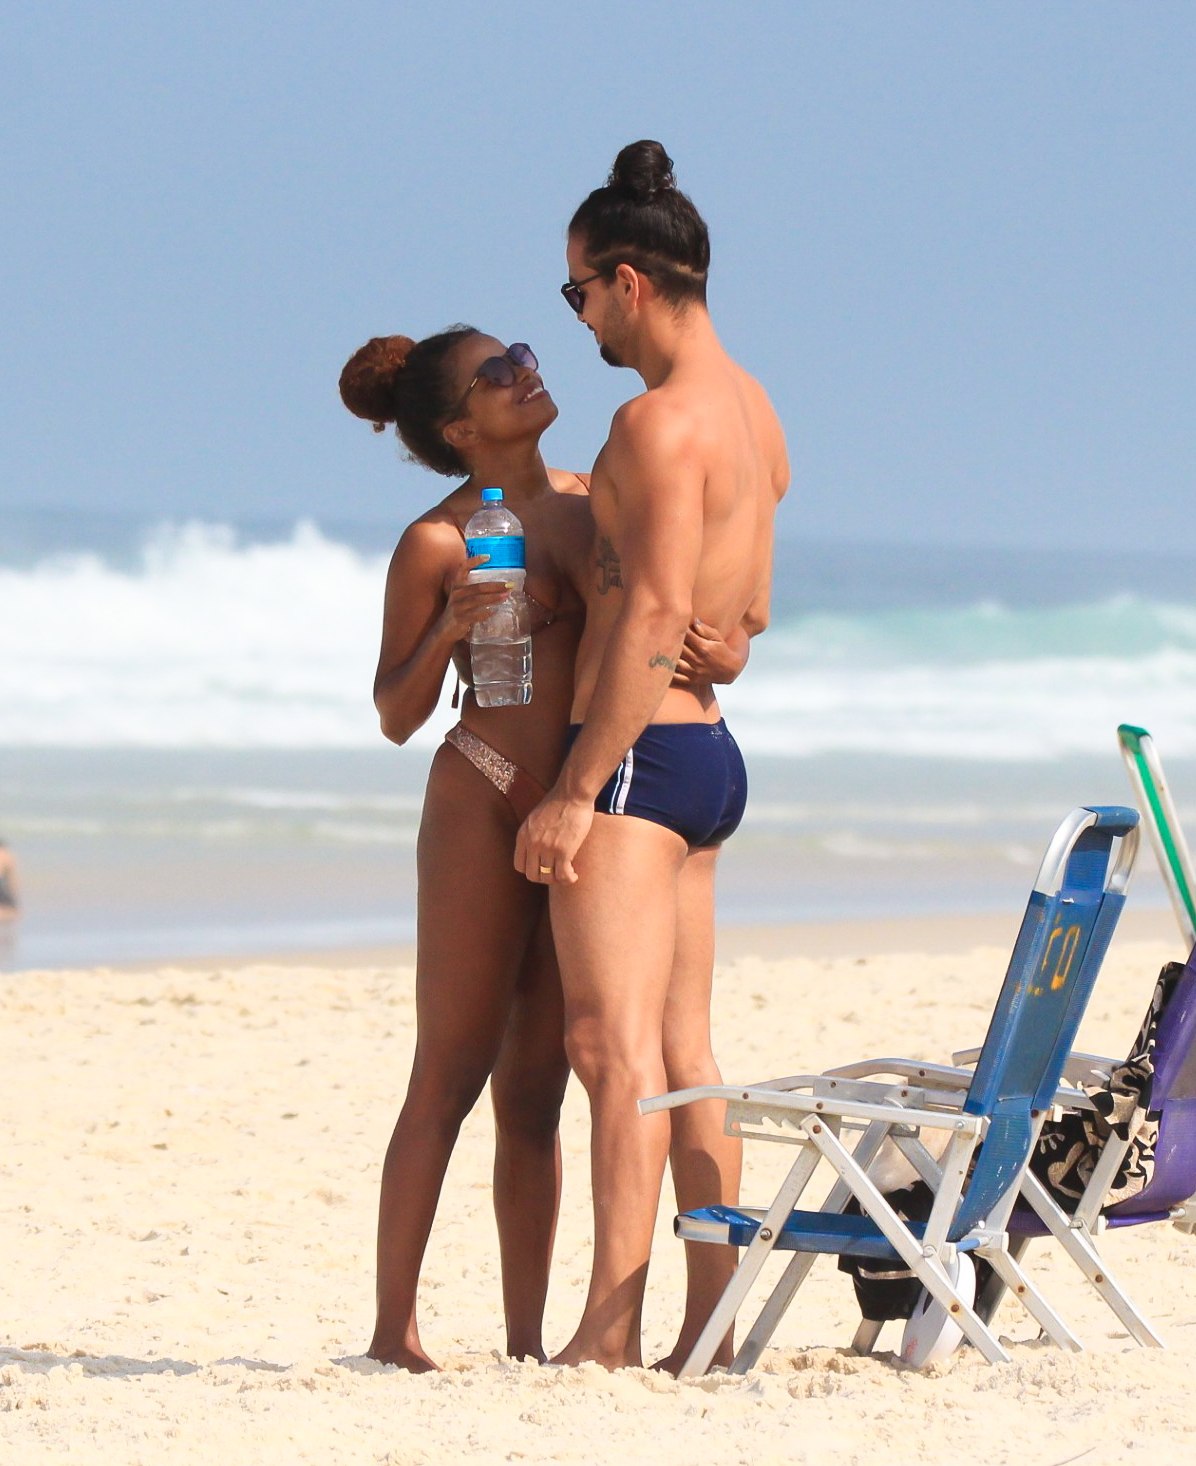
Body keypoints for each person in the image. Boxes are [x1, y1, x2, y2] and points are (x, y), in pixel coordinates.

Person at [342, 326, 747, 1371]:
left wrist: (726, 645)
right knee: (451, 1068)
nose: (528, 369)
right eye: (499, 371)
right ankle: (395, 1331)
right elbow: (394, 712)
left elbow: (669, 615)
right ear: (457, 426)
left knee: (539, 1086)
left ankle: (528, 1339)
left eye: (522, 352)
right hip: (483, 791)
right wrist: (447, 631)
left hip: (586, 799)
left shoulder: (588, 496)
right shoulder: (436, 540)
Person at [514, 140, 788, 1370]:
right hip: (712, 756)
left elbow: (654, 613)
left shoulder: (656, 423)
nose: (575, 320)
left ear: (628, 281)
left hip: (634, 762)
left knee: (605, 1044)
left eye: (576, 294)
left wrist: (574, 788)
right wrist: (709, 651)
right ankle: (711, 1319)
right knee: (684, 1050)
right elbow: (747, 622)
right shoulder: (754, 409)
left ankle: (610, 1329)